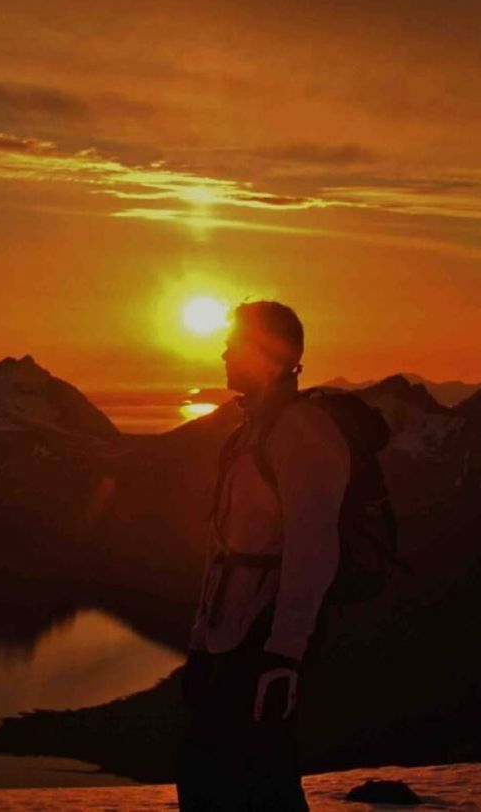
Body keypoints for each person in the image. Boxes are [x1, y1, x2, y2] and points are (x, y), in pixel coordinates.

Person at [178, 300, 351, 811]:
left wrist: (284, 654)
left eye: (238, 342)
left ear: (273, 358)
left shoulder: (303, 434)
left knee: (259, 782)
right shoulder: (249, 434)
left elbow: (313, 548)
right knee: (213, 777)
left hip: (262, 638)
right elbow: (222, 549)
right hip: (225, 640)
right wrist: (201, 642)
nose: (224, 350)